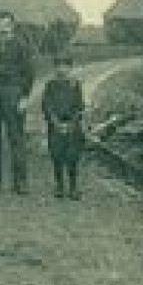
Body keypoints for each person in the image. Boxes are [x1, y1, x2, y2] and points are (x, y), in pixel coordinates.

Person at [0, 9, 36, 194]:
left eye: (6, 26)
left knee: (16, 138)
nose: (1, 31)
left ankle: (21, 183)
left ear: (12, 26)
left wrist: (25, 97)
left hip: (14, 93)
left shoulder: (21, 46)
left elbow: (29, 74)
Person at [42, 53, 86, 199]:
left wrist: (71, 123)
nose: (61, 69)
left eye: (65, 66)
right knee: (57, 155)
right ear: (55, 68)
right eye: (58, 66)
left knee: (72, 156)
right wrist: (55, 123)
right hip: (55, 126)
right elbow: (47, 106)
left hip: (72, 127)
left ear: (70, 68)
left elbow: (79, 106)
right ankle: (59, 186)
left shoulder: (75, 85)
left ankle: (73, 187)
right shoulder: (50, 85)